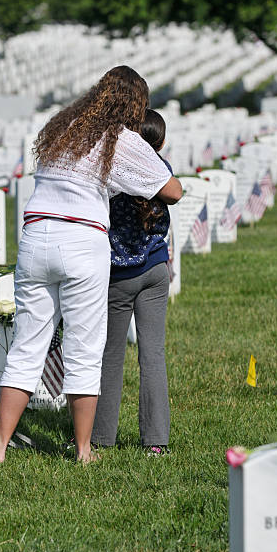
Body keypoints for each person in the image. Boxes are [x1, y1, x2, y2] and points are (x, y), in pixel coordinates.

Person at [0, 68, 182, 463]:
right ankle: (86, 450)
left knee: (26, 347)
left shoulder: (64, 127)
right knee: (85, 350)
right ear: (134, 104)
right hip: (83, 241)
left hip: (37, 236)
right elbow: (171, 189)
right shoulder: (120, 138)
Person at [91, 108, 181, 455]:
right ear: (159, 141)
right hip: (156, 270)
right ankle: (156, 441)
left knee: (110, 356)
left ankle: (100, 436)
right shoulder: (163, 172)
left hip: (118, 275)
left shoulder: (116, 173)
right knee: (153, 355)